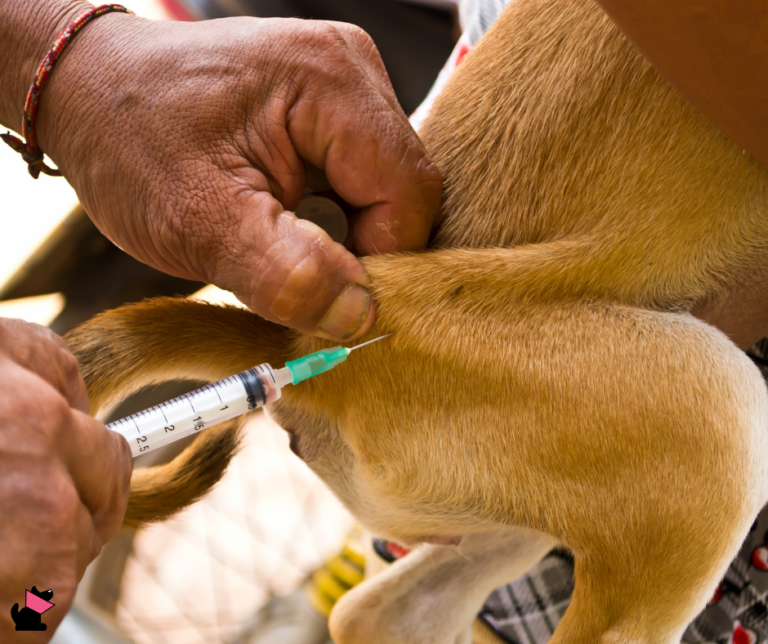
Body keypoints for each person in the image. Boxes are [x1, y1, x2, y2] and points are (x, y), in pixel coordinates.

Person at [1, 0, 767, 641]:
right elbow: (30, 608)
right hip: (511, 379)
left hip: (506, 377)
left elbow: (30, 606)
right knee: (709, 444)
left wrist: (64, 63)